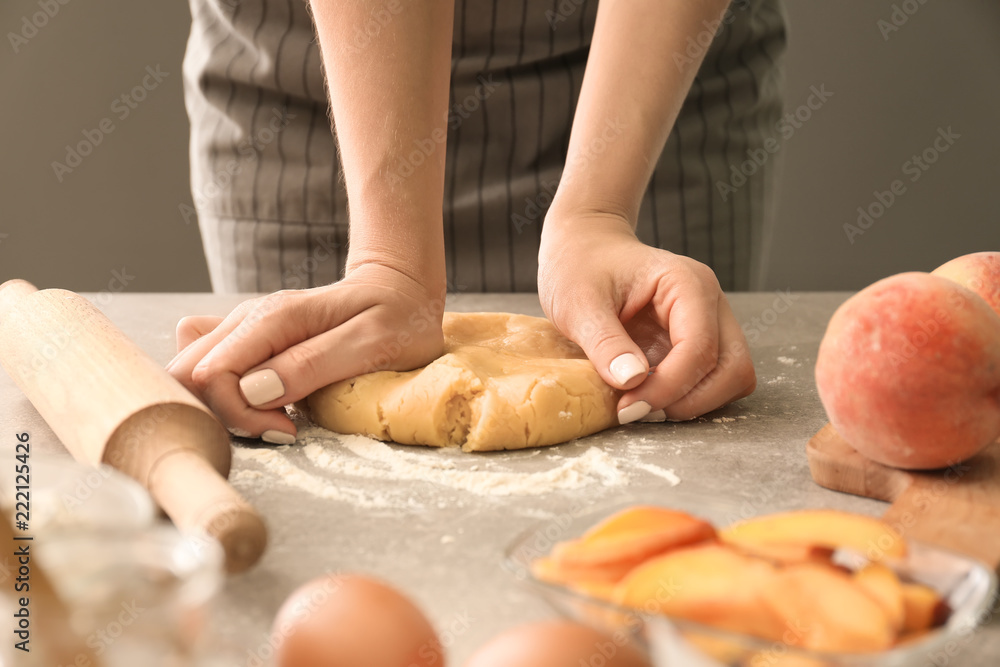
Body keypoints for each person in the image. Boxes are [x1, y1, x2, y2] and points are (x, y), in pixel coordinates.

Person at [168, 0, 787, 444]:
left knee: (661, 363)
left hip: (650, 66)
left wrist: (599, 211)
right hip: (318, 77)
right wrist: (388, 257)